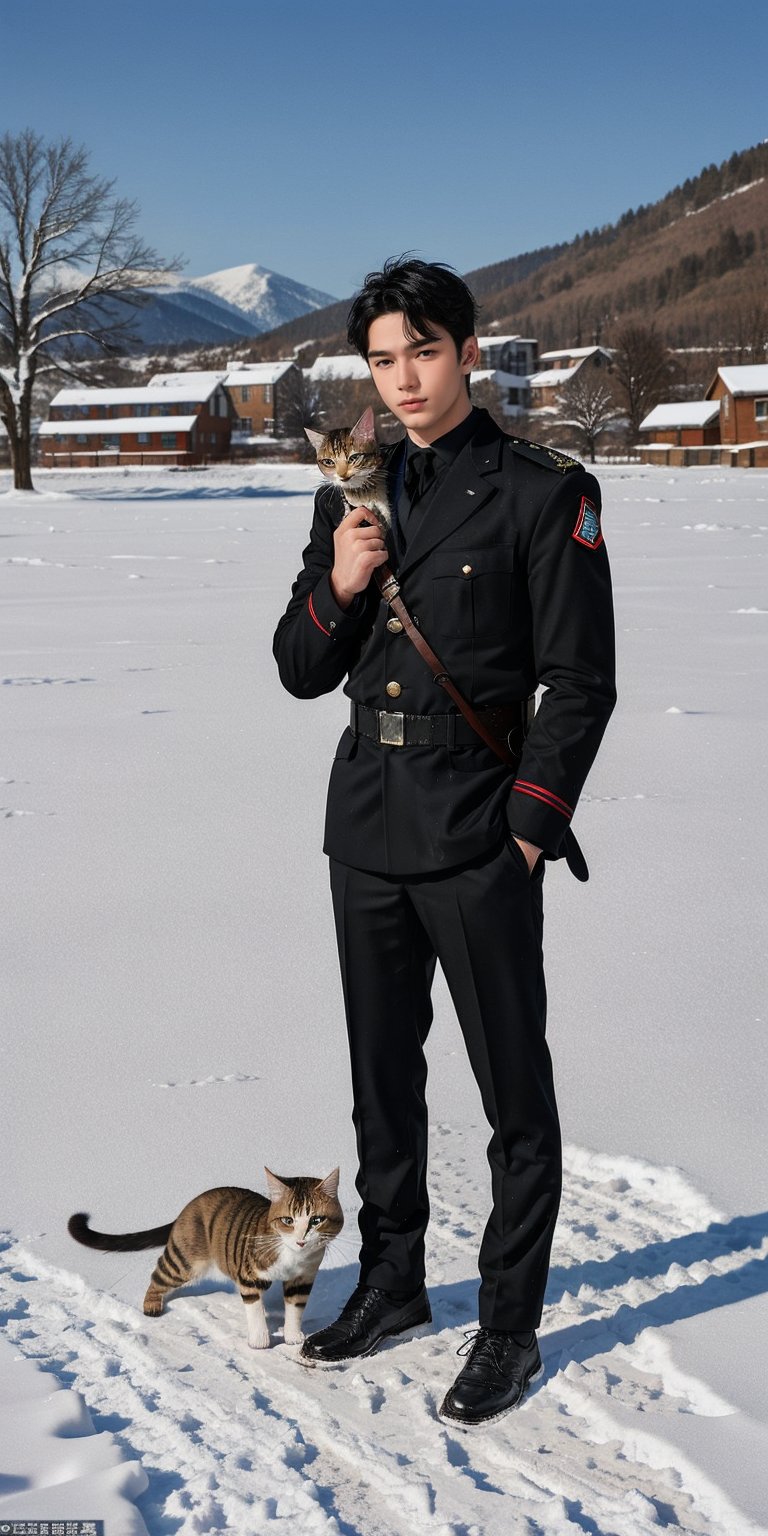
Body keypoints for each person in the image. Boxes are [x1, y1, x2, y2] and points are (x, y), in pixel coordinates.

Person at [272, 257, 616, 1427]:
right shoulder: (350, 489)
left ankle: (510, 1327)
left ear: (467, 349)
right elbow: (298, 669)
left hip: (477, 832)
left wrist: (527, 831)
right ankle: (395, 1282)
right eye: (382, 358)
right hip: (364, 825)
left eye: (424, 350)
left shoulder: (540, 491)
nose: (405, 378)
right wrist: (339, 579)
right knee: (384, 1086)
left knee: (514, 1093)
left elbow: (578, 683)